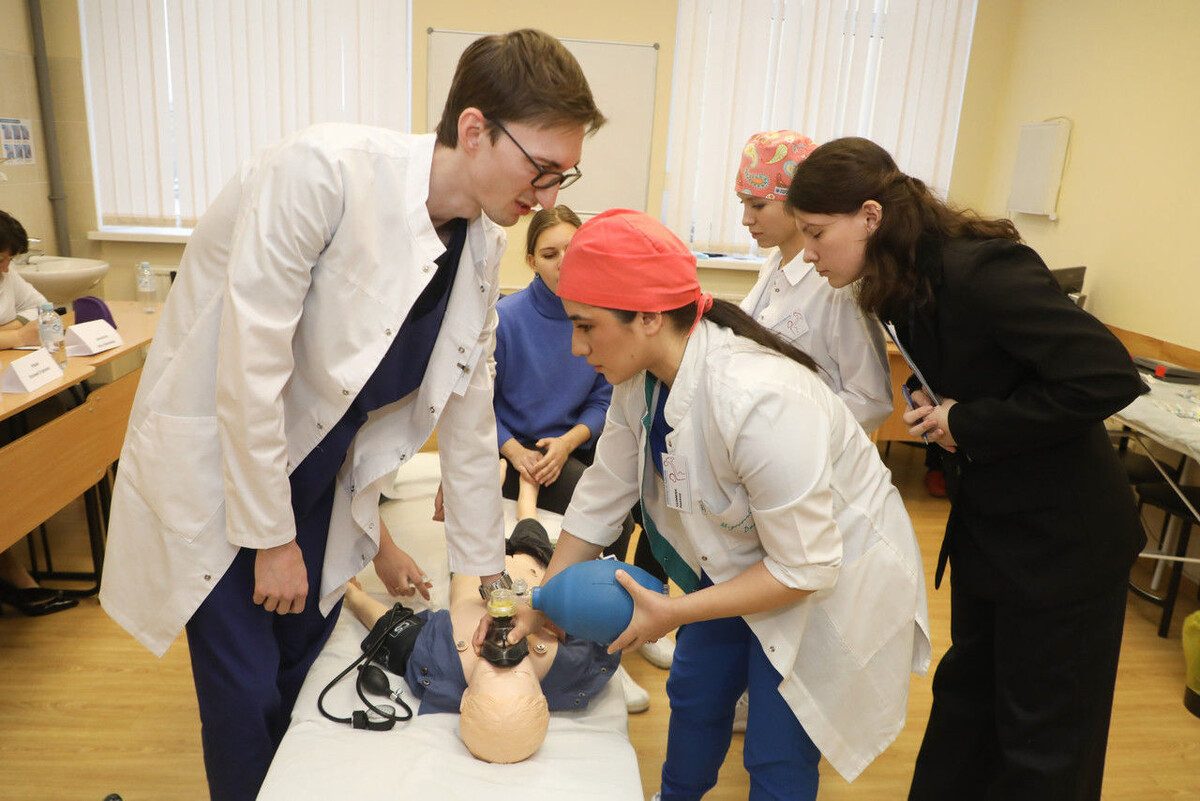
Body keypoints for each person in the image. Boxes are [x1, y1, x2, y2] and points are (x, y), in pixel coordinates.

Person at [99, 29, 605, 801]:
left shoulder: (478, 247)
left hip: (321, 477)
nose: (547, 197)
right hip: (230, 473)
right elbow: (250, 369)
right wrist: (270, 537)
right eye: (541, 169)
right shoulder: (321, 175)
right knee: (245, 691)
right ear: (475, 130)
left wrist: (481, 582)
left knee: (300, 665)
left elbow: (470, 421)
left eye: (563, 175)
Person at [496, 209, 930, 799]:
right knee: (696, 691)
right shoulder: (641, 377)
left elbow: (805, 567)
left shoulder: (758, 399)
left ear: (648, 317)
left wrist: (672, 613)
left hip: (823, 576)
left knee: (776, 745)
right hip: (741, 556)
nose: (576, 347)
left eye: (586, 326)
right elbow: (603, 492)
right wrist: (544, 600)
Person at [785, 136, 1147, 801]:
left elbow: (1106, 376)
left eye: (815, 233)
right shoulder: (899, 284)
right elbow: (982, 370)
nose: (807, 252)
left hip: (1064, 546)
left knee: (1043, 740)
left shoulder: (980, 270)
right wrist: (935, 405)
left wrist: (967, 423)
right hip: (993, 531)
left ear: (870, 216)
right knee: (966, 711)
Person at [492, 204, 666, 691]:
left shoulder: (600, 318)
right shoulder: (505, 318)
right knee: (608, 515)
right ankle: (592, 638)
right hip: (520, 453)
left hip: (575, 444)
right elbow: (478, 404)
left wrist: (569, 441)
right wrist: (513, 450)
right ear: (531, 260)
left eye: (573, 250)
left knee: (646, 508)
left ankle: (630, 623)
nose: (563, 262)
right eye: (550, 254)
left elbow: (604, 399)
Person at [343, 475, 620, 763]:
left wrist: (352, 595)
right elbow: (604, 614)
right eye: (521, 672)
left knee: (470, 524)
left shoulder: (437, 665)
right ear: (543, 696)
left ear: (465, 697)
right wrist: (558, 613)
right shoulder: (577, 667)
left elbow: (388, 626)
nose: (505, 651)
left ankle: (489, 482)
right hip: (536, 564)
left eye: (489, 670)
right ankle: (527, 496)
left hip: (475, 566)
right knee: (530, 533)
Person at [736, 130, 892, 432]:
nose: (746, 219)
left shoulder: (839, 285)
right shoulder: (773, 265)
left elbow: (871, 400)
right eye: (742, 203)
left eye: (758, 205)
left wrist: (798, 432)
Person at [0, 209, 77, 616]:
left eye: (9, 260)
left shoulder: (7, 275)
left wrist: (10, 331)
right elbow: (27, 327)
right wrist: (14, 335)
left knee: (57, 409)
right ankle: (14, 575)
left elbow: (43, 310)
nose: (6, 269)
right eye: (1, 260)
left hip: (10, 381)